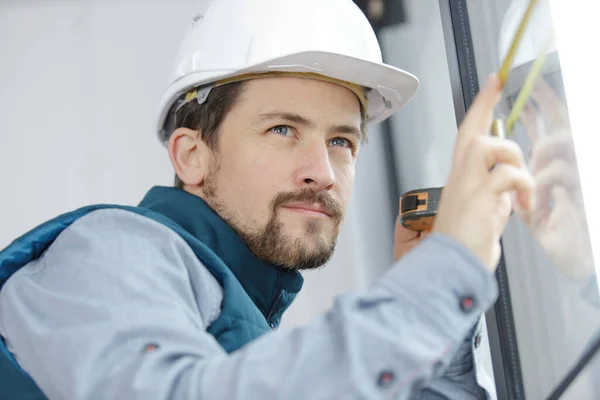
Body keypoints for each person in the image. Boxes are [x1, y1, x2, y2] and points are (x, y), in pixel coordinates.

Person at [0, 0, 534, 398]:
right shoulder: (112, 252)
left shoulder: (243, 338)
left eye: (342, 141)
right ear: (191, 156)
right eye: (282, 130)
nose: (323, 173)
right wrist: (434, 286)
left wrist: (438, 336)